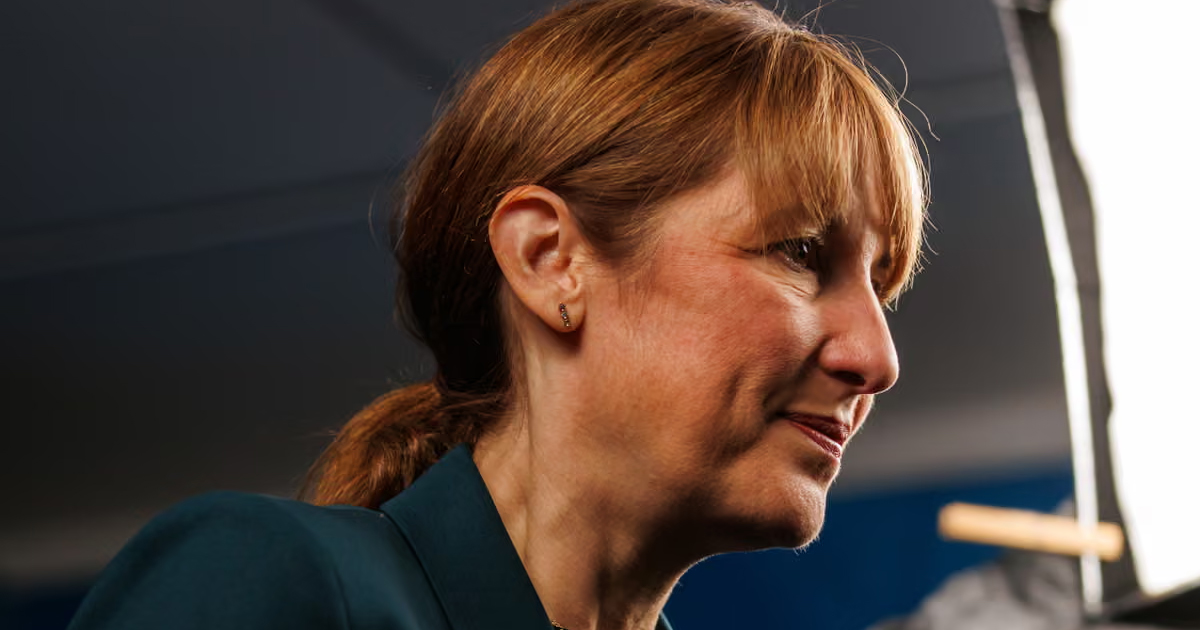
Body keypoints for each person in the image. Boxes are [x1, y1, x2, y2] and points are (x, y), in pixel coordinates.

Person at [67, 0, 926, 628]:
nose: (877, 358)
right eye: (800, 252)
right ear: (551, 260)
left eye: (881, 289)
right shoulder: (269, 581)